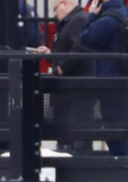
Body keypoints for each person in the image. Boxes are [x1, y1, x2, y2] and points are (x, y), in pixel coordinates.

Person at [80, 0, 128, 157]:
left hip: (112, 83)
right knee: (126, 132)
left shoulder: (108, 20)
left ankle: (127, 172)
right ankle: (127, 173)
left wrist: (91, 15)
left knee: (116, 135)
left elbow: (86, 38)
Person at [41, 0, 95, 153]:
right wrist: (51, 55)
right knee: (70, 135)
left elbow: (81, 47)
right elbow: (70, 49)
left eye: (55, 9)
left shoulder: (78, 20)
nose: (55, 14)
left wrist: (60, 69)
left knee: (78, 135)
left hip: (77, 89)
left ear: (64, 4)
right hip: (71, 89)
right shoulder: (71, 21)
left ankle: (80, 168)